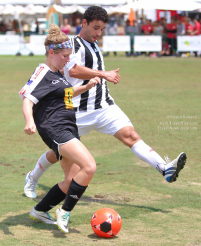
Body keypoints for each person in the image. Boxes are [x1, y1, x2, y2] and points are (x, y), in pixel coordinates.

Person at [24, 6, 187, 201]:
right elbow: (73, 70)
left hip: (103, 106)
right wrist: (103, 74)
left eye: (101, 29)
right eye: (95, 28)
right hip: (76, 111)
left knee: (131, 135)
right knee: (58, 153)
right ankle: (32, 177)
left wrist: (102, 76)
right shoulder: (72, 44)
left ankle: (165, 169)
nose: (98, 33)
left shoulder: (93, 43)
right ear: (84, 23)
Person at [19, 24, 101, 233]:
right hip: (56, 130)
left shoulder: (58, 74)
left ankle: (40, 210)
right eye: (65, 56)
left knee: (71, 180)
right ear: (52, 53)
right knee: (89, 167)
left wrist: (87, 86)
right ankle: (64, 212)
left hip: (68, 128)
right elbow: (27, 99)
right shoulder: (43, 71)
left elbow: (65, 95)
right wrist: (29, 122)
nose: (68, 59)